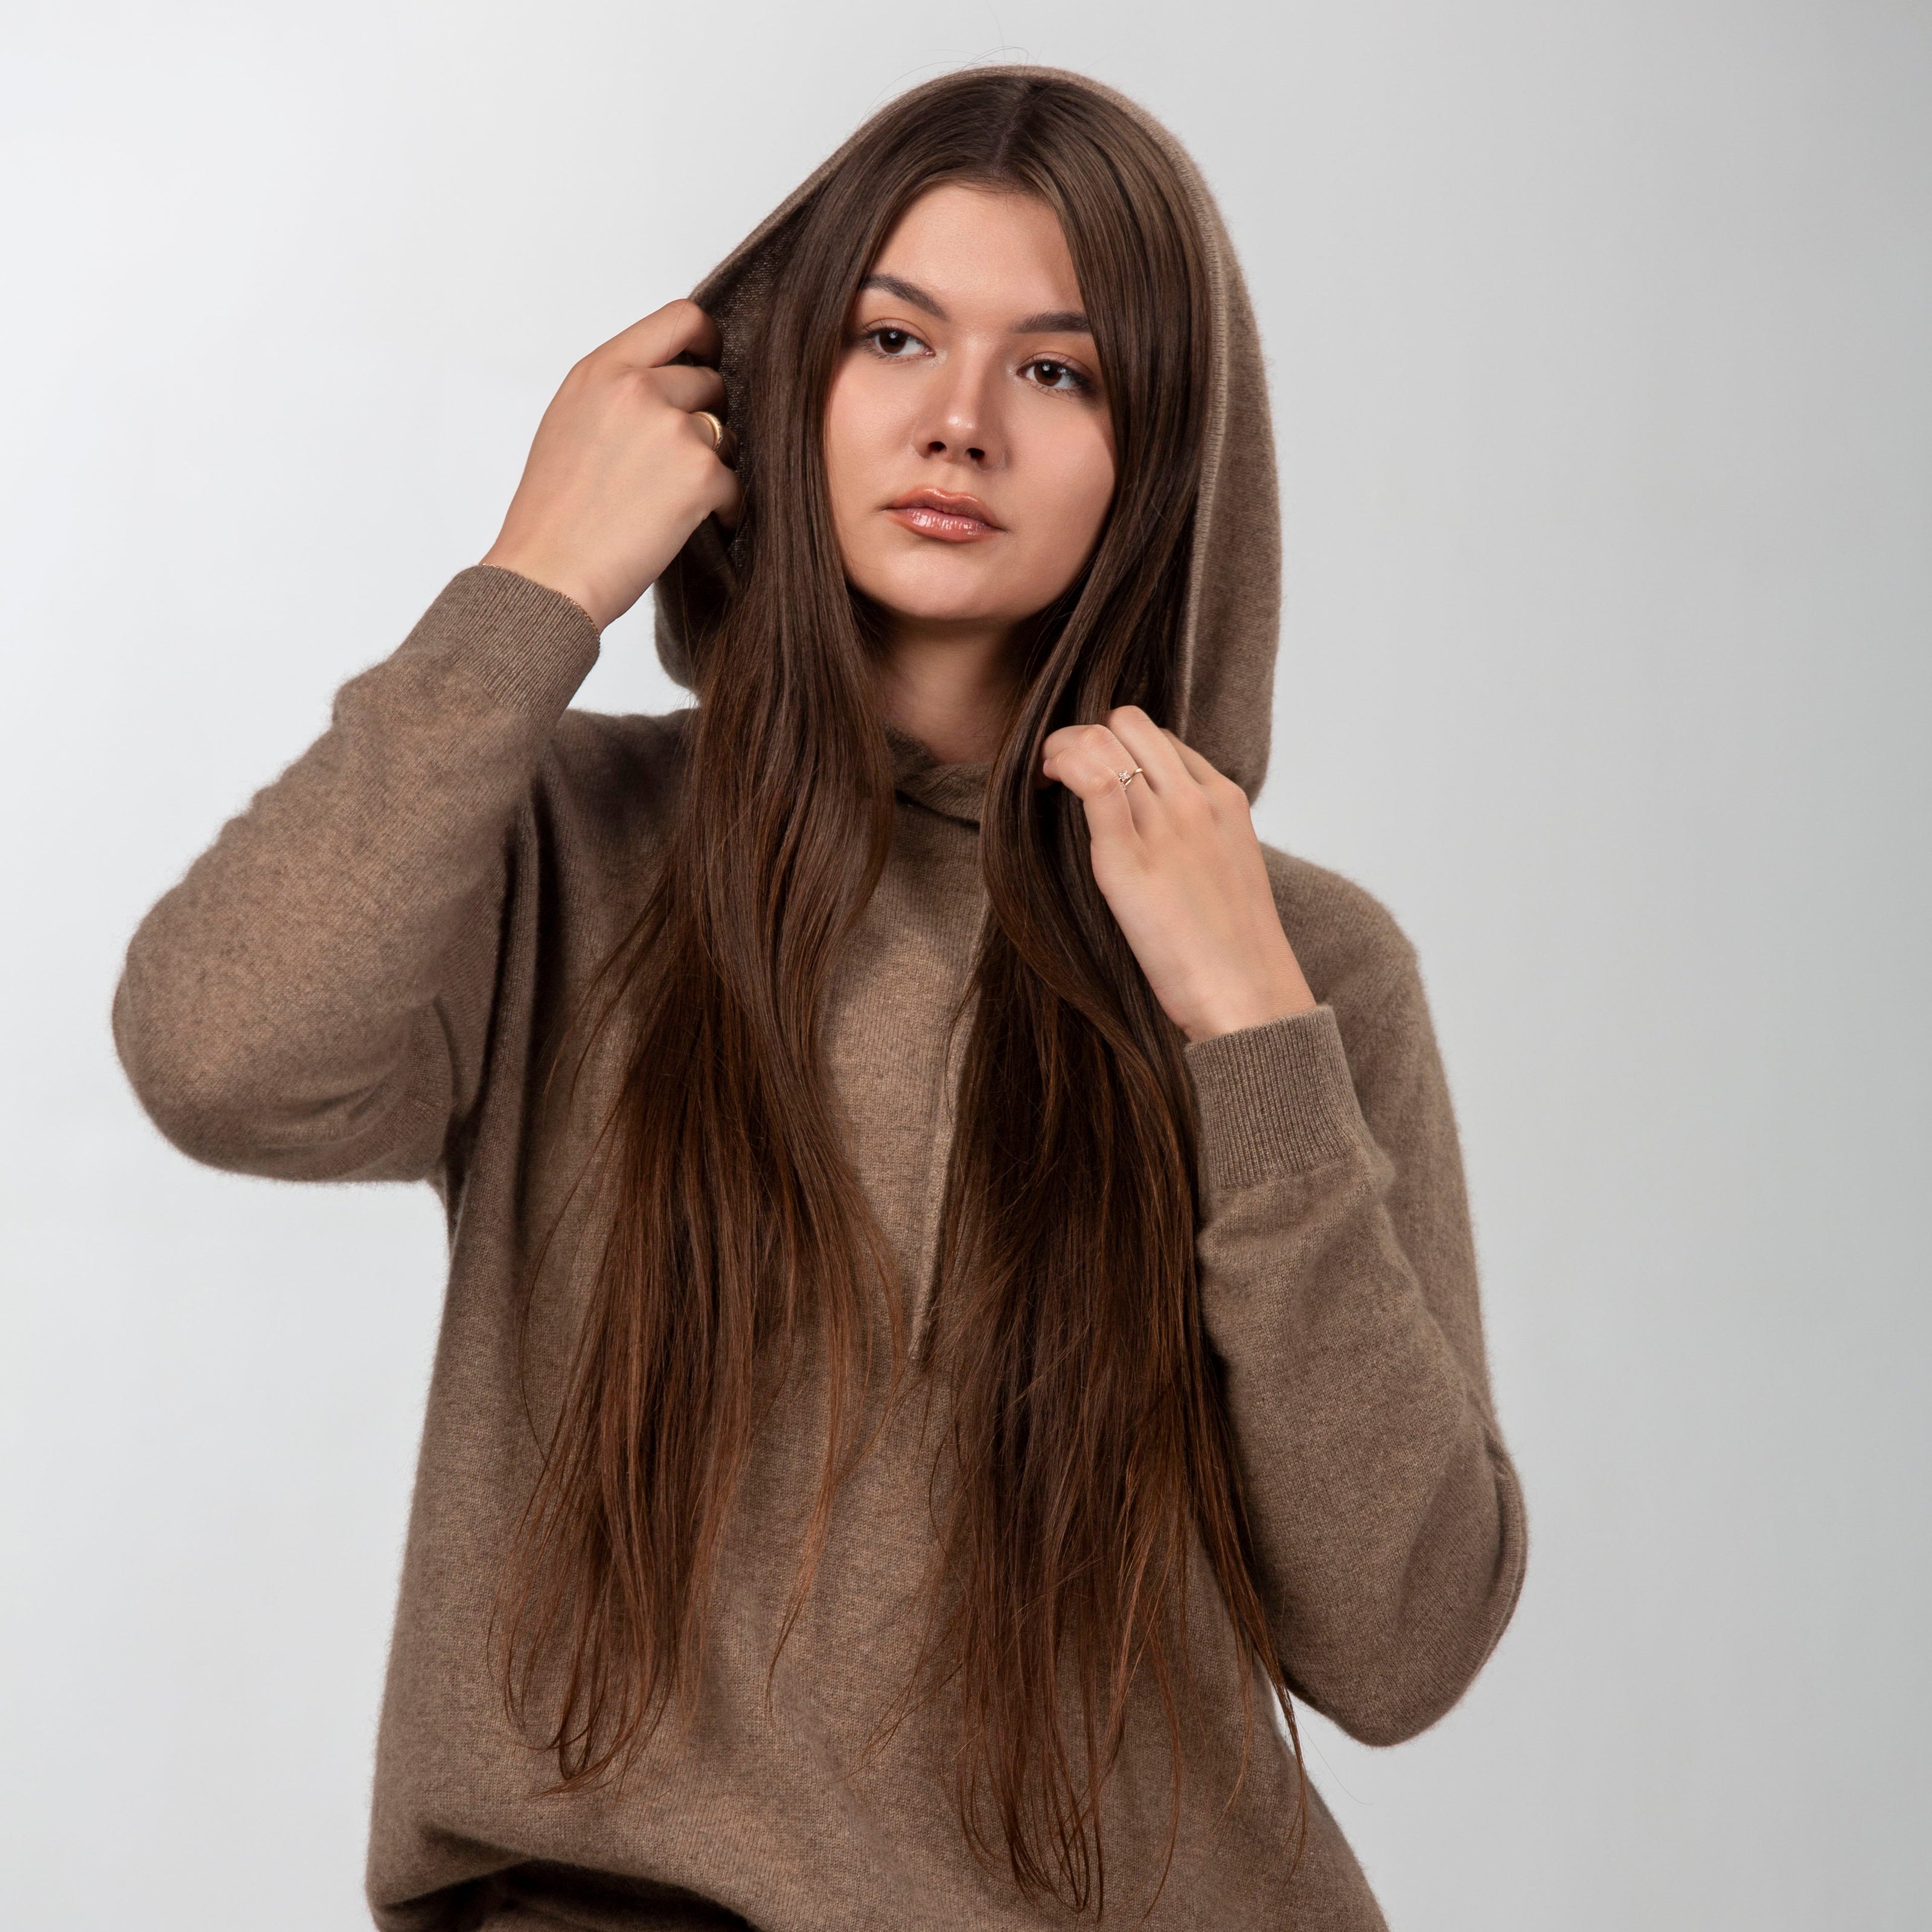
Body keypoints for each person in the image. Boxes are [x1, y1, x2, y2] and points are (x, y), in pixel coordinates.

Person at [112, 66, 1526, 1932]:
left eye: (1058, 370)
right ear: (777, 385)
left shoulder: (1300, 963)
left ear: (1159, 454)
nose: (959, 423)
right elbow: (221, 1060)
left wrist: (1251, 1035)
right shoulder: (565, 843)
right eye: (893, 338)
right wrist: (537, 579)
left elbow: (1401, 1643)